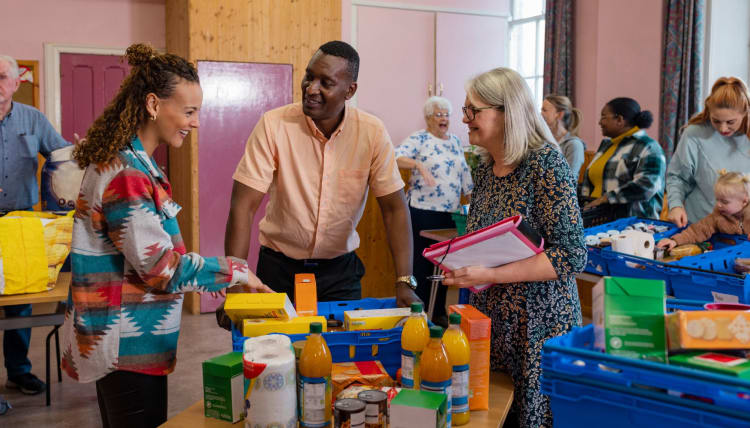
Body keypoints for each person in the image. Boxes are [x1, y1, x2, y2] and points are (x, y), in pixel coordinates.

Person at [60, 44, 271, 428]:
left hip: (127, 340)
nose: (195, 122)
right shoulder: (127, 174)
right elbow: (162, 269)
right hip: (127, 347)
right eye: (189, 112)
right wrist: (237, 270)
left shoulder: (134, 162)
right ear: (154, 105)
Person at [441, 67, 586, 428]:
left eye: (473, 110)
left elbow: (571, 254)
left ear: (507, 112)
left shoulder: (545, 165)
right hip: (493, 323)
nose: (464, 118)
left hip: (538, 327)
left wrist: (490, 274)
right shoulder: (487, 172)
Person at [225, 40, 419, 308]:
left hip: (340, 274)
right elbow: (242, 206)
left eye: (325, 83)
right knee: (278, 348)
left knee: (341, 349)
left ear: (350, 90)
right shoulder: (274, 125)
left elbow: (394, 209)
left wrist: (404, 281)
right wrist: (236, 282)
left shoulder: (371, 133)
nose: (311, 88)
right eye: (309, 76)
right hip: (278, 269)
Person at [0, 55, 69, 410]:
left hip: (21, 222)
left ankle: (19, 370)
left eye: (2, 78)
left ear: (15, 83)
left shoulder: (33, 119)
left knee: (20, 304)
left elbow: (62, 158)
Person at [395, 96, 473, 325]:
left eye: (446, 114)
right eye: (438, 114)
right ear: (429, 118)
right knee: (420, 265)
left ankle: (437, 312)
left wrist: (473, 199)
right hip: (422, 211)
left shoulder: (456, 142)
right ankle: (417, 314)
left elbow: (465, 173)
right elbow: (395, 157)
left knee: (442, 266)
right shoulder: (420, 138)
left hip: (449, 213)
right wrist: (418, 164)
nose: (444, 119)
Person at [666, 77, 750, 227]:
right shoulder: (694, 134)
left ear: (745, 112)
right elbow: (677, 177)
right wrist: (676, 205)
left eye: (731, 122)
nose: (723, 129)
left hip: (743, 232)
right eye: (716, 121)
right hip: (700, 227)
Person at [580, 97, 666, 219]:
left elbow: (647, 185)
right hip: (598, 222)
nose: (600, 122)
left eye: (604, 117)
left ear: (619, 120)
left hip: (632, 226)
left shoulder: (648, 147)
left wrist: (606, 198)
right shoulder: (606, 145)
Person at [658, 171, 750, 250]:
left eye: (724, 202)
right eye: (717, 199)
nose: (718, 204)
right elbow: (697, 230)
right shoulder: (718, 217)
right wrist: (675, 241)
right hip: (728, 254)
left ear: (744, 201)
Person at [540, 94, 586, 176]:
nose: (540, 114)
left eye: (544, 110)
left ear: (560, 114)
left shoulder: (574, 144)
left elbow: (570, 179)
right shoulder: (543, 141)